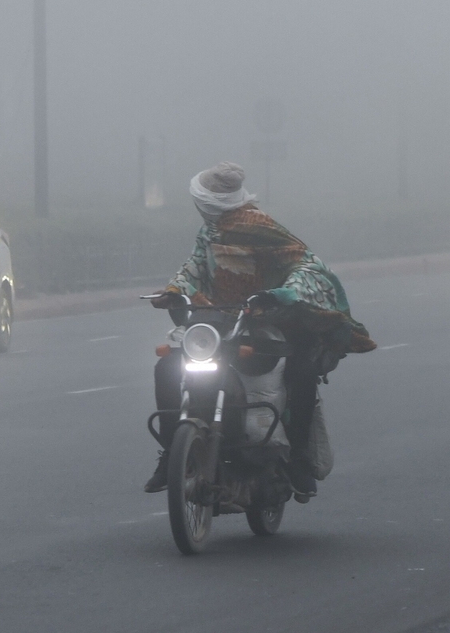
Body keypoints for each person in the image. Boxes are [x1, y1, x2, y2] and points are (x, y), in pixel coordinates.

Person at [144, 163, 375, 496]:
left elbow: (305, 264)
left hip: (270, 321)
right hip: (217, 322)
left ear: (210, 201)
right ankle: (171, 453)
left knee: (301, 371)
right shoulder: (208, 232)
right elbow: (193, 267)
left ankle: (295, 458)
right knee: (167, 368)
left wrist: (281, 294)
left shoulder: (261, 226)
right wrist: (174, 290)